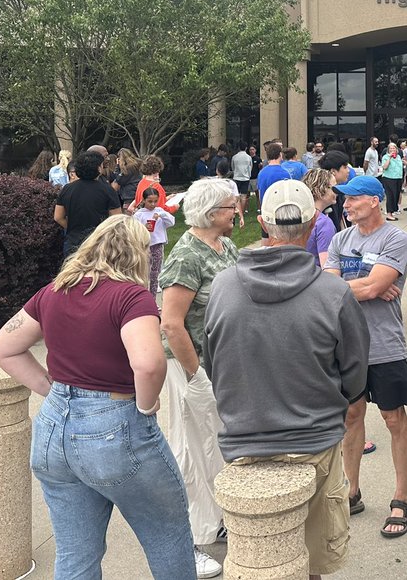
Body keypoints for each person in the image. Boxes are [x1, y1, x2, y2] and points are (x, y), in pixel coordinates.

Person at [0, 216, 194, 578]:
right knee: (168, 532)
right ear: (138, 254)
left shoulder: (53, 292)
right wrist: (147, 405)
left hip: (53, 430)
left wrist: (50, 389)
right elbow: (148, 365)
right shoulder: (132, 297)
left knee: (75, 553)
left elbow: (4, 347)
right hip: (115, 426)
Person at [204, 180, 369, 580]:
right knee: (312, 560)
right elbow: (356, 374)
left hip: (243, 439)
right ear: (314, 223)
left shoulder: (223, 286)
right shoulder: (334, 292)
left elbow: (213, 363)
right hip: (314, 440)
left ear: (261, 223)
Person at [159, 178, 241, 578]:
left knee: (215, 445)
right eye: (230, 206)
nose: (237, 210)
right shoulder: (184, 257)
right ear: (211, 214)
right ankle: (187, 539)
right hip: (186, 368)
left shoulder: (225, 245)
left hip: (220, 365)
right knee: (187, 449)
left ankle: (215, 520)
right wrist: (196, 376)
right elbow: (172, 324)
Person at [324, 176, 407, 539]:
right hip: (345, 345)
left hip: (384, 345)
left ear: (376, 200)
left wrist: (367, 287)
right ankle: (352, 491)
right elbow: (326, 289)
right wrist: (369, 287)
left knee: (394, 419)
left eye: (353, 199)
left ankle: (401, 497)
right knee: (351, 415)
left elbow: (371, 286)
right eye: (344, 200)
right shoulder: (338, 239)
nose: (345, 205)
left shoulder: (394, 237)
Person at [55, 150, 123, 256]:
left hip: (73, 240)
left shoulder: (67, 189)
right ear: (98, 168)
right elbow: (116, 219)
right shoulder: (107, 190)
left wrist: (72, 227)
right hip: (98, 242)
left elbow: (58, 217)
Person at [133, 187, 175, 298]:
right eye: (149, 201)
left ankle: (152, 298)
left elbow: (171, 222)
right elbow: (133, 230)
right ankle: (142, 296)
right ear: (144, 200)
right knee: (144, 272)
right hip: (144, 246)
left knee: (155, 273)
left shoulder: (159, 211)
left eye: (155, 201)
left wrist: (162, 215)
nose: (153, 204)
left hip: (157, 245)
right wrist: (143, 227)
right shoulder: (139, 214)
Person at [302, 168, 338, 267]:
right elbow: (327, 266)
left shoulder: (297, 216)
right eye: (334, 188)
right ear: (320, 190)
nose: (337, 192)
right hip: (314, 277)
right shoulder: (324, 223)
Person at [379, 143, 404, 220]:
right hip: (389, 178)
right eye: (391, 148)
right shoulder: (385, 157)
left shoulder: (399, 157)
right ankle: (389, 213)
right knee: (390, 196)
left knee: (396, 195)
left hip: (398, 178)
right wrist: (389, 158)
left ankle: (393, 211)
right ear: (388, 150)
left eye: (394, 148)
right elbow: (385, 167)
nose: (393, 150)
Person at [230, 143, 252, 227]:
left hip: (237, 177)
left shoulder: (234, 157)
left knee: (236, 196)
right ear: (246, 148)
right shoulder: (248, 157)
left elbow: (233, 167)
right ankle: (241, 212)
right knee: (243, 196)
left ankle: (236, 211)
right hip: (245, 178)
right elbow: (250, 167)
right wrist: (248, 175)